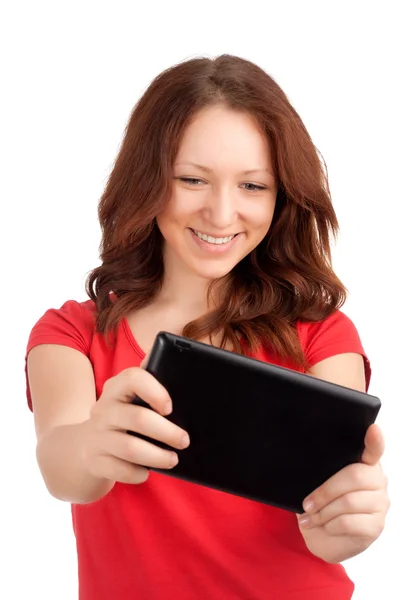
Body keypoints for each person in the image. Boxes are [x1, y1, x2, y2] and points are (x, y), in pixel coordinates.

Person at [25, 54, 389, 600]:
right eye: (192, 179)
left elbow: (325, 533)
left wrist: (349, 522)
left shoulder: (322, 335)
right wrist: (92, 445)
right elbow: (61, 465)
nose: (221, 215)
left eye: (253, 187)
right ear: (147, 182)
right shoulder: (73, 333)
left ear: (283, 195)